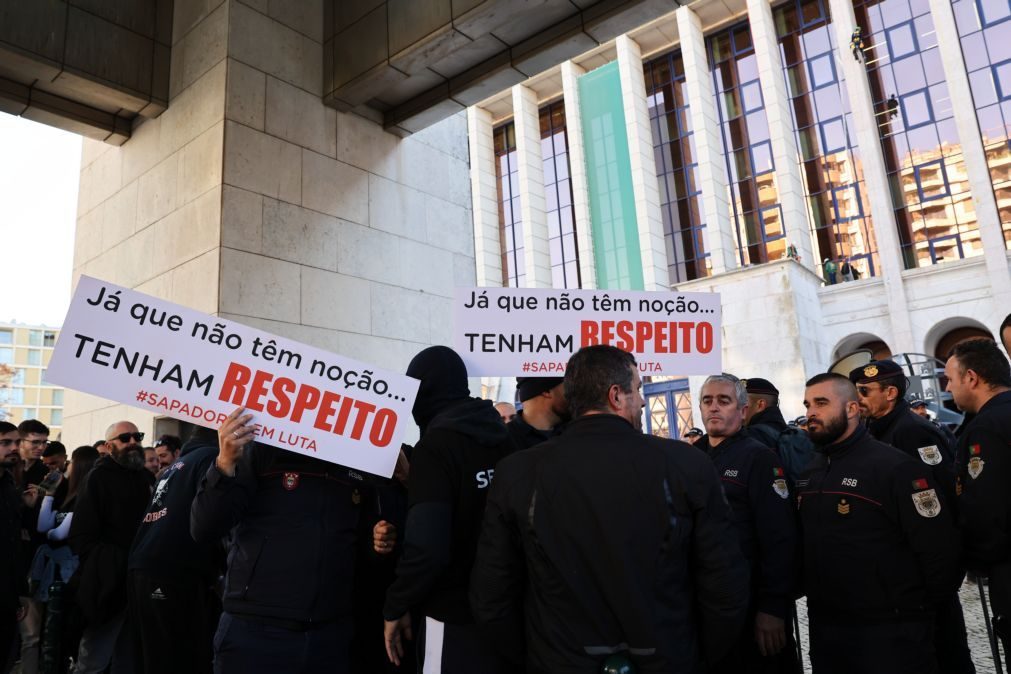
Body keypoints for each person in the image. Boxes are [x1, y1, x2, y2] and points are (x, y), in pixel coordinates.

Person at [470, 345, 749, 673]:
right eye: (639, 389)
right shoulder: (687, 464)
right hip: (662, 658)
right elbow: (724, 584)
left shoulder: (518, 471)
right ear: (617, 395)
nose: (644, 401)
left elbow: (492, 596)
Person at [190, 406, 383, 674]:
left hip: (330, 635)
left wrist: (379, 543)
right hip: (254, 631)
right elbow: (204, 527)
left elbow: (362, 547)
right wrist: (224, 465)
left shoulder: (355, 465)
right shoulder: (260, 448)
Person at [799, 373, 961, 674]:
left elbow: (940, 551)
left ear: (851, 409)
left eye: (821, 403)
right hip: (830, 633)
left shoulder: (895, 468)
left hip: (891, 636)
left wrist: (912, 614)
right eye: (808, 404)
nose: (811, 413)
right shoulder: (812, 473)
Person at [382, 346, 516, 672]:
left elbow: (429, 548)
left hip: (453, 620)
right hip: (509, 613)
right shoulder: (503, 436)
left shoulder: (436, 446)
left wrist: (395, 604)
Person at [848, 361, 972, 673]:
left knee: (945, 654)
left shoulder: (913, 432)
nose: (857, 398)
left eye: (864, 391)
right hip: (901, 576)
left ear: (890, 392)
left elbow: (940, 502)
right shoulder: (878, 430)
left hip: (925, 575)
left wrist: (939, 578)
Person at [695, 374, 799, 674]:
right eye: (707, 400)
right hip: (708, 605)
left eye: (724, 400)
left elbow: (779, 538)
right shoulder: (690, 457)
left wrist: (773, 608)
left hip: (751, 604)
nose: (714, 407)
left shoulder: (759, 458)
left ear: (742, 411)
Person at [129, 426, 224, 674]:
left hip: (149, 565)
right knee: (178, 656)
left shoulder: (179, 465)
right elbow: (212, 517)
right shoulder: (211, 459)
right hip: (174, 569)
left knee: (156, 655)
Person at [945, 338, 1011, 652]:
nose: (947, 388)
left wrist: (976, 560)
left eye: (950, 379)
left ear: (971, 378)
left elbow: (988, 506)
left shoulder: (985, 428)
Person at [69, 441, 152, 674]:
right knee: (94, 657)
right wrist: (107, 565)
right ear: (109, 445)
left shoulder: (145, 477)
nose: (133, 441)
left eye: (138, 435)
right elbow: (82, 535)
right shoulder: (98, 478)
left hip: (138, 581)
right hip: (107, 581)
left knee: (128, 657)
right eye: (125, 438)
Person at [31, 445, 99, 672]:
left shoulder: (85, 496)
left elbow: (59, 533)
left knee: (58, 626)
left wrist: (51, 533)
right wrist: (49, 496)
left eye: (71, 464)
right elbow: (43, 526)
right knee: (50, 627)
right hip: (56, 567)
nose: (66, 468)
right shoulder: (67, 494)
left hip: (69, 569)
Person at [17, 419, 50, 674]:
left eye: (44, 442)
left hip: (31, 563)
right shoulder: (9, 471)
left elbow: (46, 525)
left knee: (32, 635)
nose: (40, 447)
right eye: (35, 442)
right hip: (9, 559)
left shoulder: (49, 476)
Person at [0, 422, 26, 672]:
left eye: (16, 442)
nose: (14, 448)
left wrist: (18, 593)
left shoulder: (10, 486)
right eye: (5, 443)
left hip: (7, 594)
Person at [506, 377, 567, 450]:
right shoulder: (502, 441)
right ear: (547, 391)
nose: (575, 393)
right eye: (568, 386)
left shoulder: (574, 431)